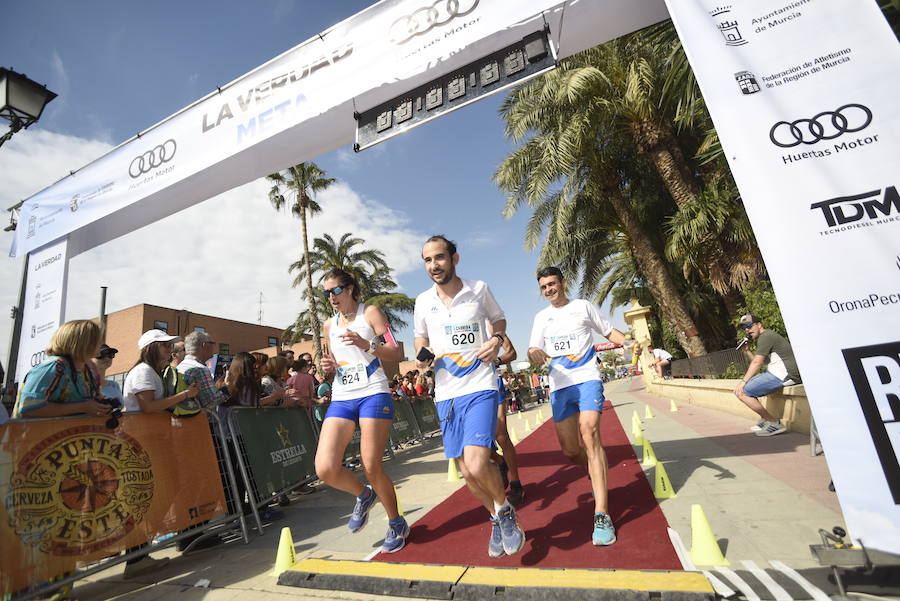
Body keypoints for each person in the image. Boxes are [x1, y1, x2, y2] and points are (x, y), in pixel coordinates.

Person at [414, 235, 525, 558]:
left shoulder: (478, 289)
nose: (434, 265)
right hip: (446, 393)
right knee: (466, 471)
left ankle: (503, 511)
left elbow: (498, 319)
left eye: (439, 258)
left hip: (480, 386)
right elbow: (421, 337)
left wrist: (498, 338)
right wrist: (422, 358)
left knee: (477, 463)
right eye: (428, 260)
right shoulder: (423, 301)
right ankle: (497, 517)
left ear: (454, 258)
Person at [527, 266, 629, 546]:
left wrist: (630, 342)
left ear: (564, 282)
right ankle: (596, 473)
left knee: (590, 432)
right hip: (560, 386)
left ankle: (601, 514)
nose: (549, 289)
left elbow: (610, 332)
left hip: (586, 379)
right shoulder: (541, 317)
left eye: (552, 284)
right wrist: (534, 352)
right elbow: (533, 349)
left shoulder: (583, 306)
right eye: (544, 286)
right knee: (571, 450)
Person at [314, 268, 409, 553]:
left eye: (335, 291)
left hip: (372, 393)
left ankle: (396, 522)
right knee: (325, 468)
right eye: (326, 293)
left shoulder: (371, 313)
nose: (331, 297)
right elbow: (333, 363)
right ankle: (363, 495)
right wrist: (328, 367)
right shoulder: (329, 326)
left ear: (350, 288)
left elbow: (396, 352)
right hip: (343, 395)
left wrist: (367, 344)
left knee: (370, 465)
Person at [13, 320, 113, 419]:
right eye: (97, 340)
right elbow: (29, 408)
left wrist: (100, 406)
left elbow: (88, 404)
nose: (101, 344)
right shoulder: (54, 366)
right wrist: (83, 407)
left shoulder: (87, 370)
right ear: (83, 342)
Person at [733, 314, 802, 437]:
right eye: (744, 328)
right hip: (776, 373)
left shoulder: (766, 336)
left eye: (749, 326)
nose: (747, 330)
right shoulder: (766, 337)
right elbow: (763, 363)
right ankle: (766, 419)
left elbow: (757, 363)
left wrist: (743, 382)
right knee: (747, 388)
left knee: (742, 391)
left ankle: (774, 423)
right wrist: (747, 350)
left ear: (759, 325)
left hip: (786, 375)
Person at [493, 333, 524, 505]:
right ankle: (500, 461)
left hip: (491, 384)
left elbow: (512, 353)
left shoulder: (491, 325)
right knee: (473, 443)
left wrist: (496, 361)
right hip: (466, 390)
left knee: (501, 436)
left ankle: (516, 483)